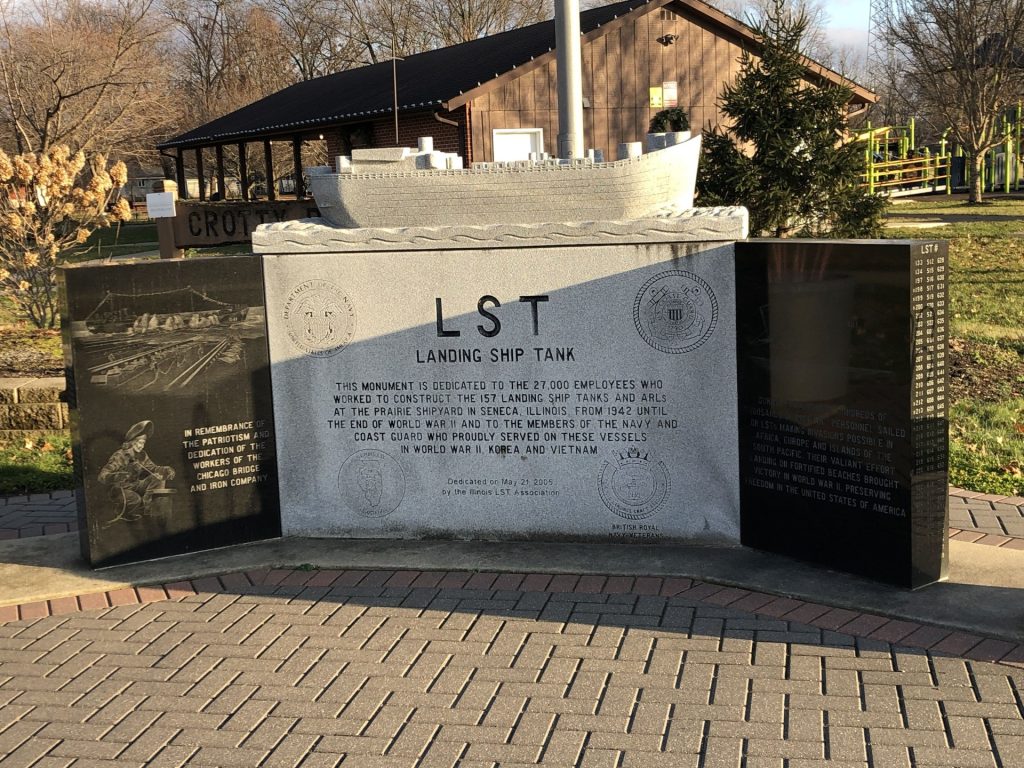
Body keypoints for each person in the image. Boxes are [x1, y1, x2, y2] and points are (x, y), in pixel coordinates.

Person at [98, 421, 175, 522]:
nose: (141, 446)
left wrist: (166, 470)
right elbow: (102, 476)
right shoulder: (120, 455)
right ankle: (122, 511)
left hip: (135, 485)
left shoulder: (142, 455)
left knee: (158, 478)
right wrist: (116, 476)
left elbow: (153, 468)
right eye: (140, 443)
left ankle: (150, 510)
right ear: (132, 442)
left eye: (143, 443)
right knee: (135, 499)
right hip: (120, 489)